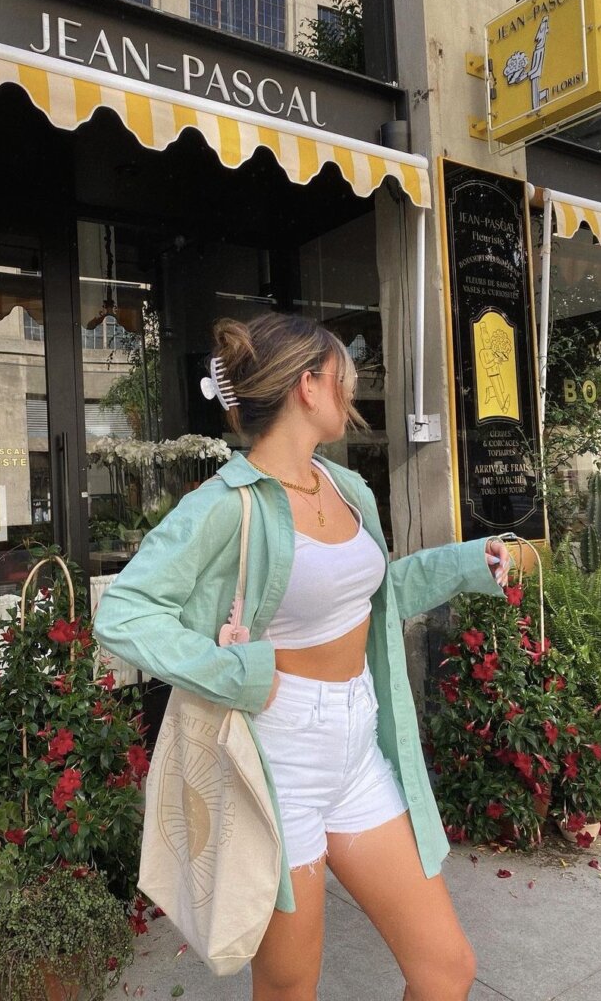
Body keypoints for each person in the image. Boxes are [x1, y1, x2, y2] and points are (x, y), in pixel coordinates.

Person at [94, 312, 511, 1001]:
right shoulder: (223, 506)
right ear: (308, 386)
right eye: (341, 375)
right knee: (289, 988)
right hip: (278, 756)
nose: (352, 389)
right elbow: (124, 612)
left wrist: (467, 563)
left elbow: (369, 600)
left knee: (444, 968)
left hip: (357, 743)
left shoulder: (346, 488)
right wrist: (239, 674)